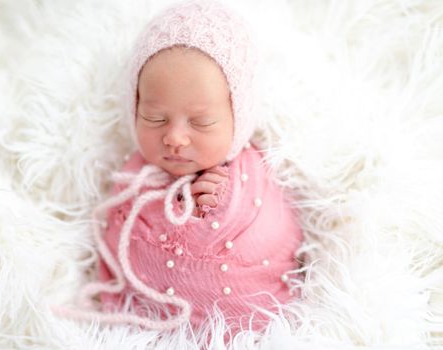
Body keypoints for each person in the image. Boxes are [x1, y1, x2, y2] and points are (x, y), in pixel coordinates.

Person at [53, 0, 303, 334]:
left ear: (238, 115)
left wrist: (221, 206)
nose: (174, 138)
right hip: (143, 326)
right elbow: (116, 238)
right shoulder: (133, 178)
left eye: (201, 122)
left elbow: (278, 233)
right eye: (155, 118)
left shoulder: (254, 177)